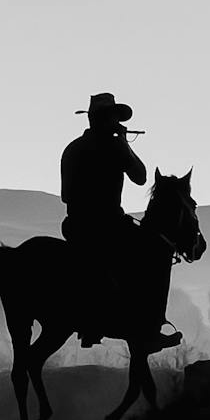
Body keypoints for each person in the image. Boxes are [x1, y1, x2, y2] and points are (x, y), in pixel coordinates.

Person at [60, 92, 177, 350]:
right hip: (107, 226)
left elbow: (65, 195)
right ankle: (149, 325)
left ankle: (95, 322)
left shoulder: (72, 149)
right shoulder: (114, 147)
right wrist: (124, 143)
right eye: (114, 118)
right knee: (154, 256)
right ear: (109, 120)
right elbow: (141, 176)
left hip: (75, 225)